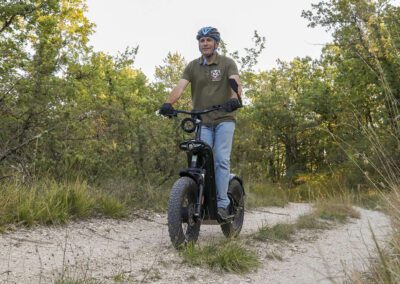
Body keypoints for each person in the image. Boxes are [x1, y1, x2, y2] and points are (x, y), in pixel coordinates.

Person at [159, 26, 242, 220]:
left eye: (208, 40)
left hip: (224, 120)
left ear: (216, 43)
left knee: (220, 159)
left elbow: (235, 83)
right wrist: (168, 103)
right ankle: (200, 201)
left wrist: (234, 98)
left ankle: (222, 204)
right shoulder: (192, 66)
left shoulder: (227, 63)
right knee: (200, 160)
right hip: (202, 121)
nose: (205, 43)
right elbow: (180, 87)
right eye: (202, 40)